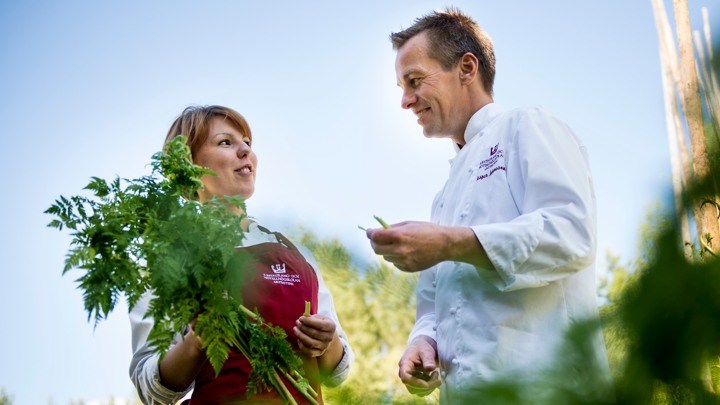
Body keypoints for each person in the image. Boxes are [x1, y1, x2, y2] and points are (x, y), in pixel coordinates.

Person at [366, 7, 610, 402]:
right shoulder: (443, 197)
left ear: (466, 68)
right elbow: (435, 304)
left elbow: (572, 232)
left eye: (414, 81)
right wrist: (423, 341)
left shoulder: (528, 127)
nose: (406, 101)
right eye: (401, 88)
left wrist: (449, 243)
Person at [129, 105, 354, 404]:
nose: (245, 151)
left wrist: (327, 342)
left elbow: (337, 373)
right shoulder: (170, 256)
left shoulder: (298, 253)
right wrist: (199, 340)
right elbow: (152, 389)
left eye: (247, 142)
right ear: (190, 166)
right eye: (226, 142)